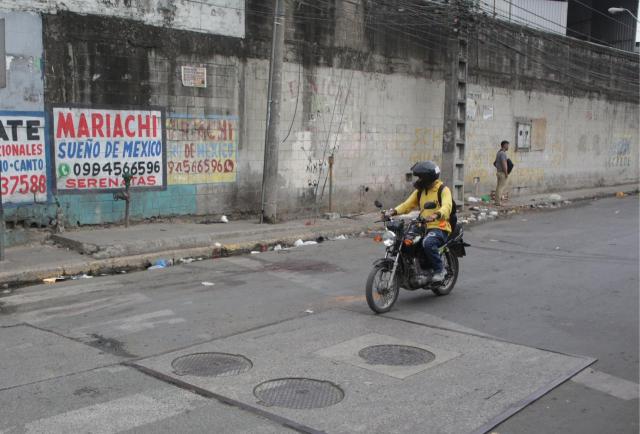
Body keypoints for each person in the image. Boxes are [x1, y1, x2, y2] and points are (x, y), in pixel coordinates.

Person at [386, 161, 453, 283]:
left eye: (420, 177)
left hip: (439, 226)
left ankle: (440, 270)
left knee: (428, 242)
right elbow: (407, 205)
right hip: (422, 225)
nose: (418, 180)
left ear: (428, 178)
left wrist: (436, 214)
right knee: (403, 240)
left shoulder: (443, 190)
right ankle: (410, 267)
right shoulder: (420, 191)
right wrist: (393, 212)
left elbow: (447, 206)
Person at [494, 140, 510, 206]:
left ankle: (497, 201)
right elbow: (504, 164)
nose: (508, 147)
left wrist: (499, 168)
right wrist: (506, 173)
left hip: (498, 172)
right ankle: (498, 202)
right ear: (504, 145)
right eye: (507, 145)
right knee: (500, 188)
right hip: (502, 173)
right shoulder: (503, 153)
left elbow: (495, 163)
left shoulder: (499, 153)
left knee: (498, 187)